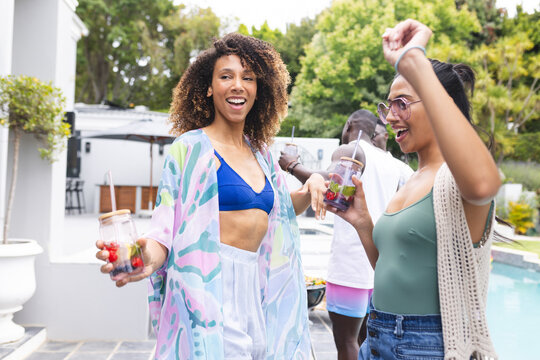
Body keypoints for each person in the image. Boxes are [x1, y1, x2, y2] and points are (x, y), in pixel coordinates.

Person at [96, 33, 326, 359]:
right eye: (226, 76)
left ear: (259, 90)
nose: (238, 85)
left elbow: (280, 209)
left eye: (248, 78)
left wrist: (311, 185)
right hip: (209, 288)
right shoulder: (188, 149)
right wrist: (147, 255)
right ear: (208, 86)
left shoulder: (261, 153)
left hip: (258, 289)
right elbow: (164, 229)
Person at [327, 19, 500, 359]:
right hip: (377, 333)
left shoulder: (456, 179)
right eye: (387, 106)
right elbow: (397, 267)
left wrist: (413, 60)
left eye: (402, 104)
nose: (389, 118)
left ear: (439, 104)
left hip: (427, 344)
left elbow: (484, 184)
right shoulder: (412, 178)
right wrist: (363, 223)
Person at [279, 110, 412, 360]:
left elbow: (331, 179)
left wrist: (291, 165)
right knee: (366, 342)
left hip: (349, 265)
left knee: (346, 342)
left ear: (349, 125)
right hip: (378, 264)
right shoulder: (392, 163)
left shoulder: (351, 149)